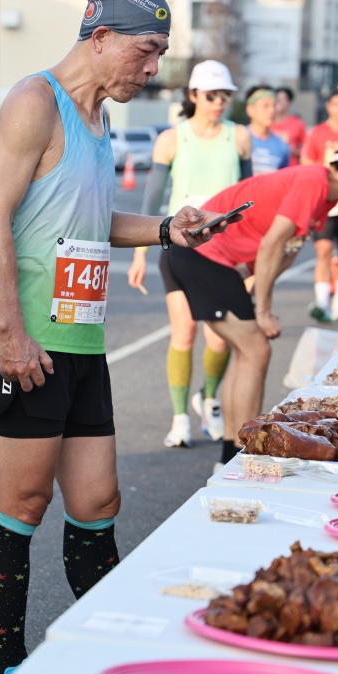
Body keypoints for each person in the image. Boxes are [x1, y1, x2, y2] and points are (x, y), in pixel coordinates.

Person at [0, 0, 233, 674]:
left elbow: (89, 216)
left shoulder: (99, 115)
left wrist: (169, 230)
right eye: (146, 52)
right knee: (24, 503)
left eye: (160, 55)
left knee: (98, 502)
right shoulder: (36, 101)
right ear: (102, 36)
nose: (152, 70)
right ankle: (8, 669)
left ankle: (101, 654)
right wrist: (11, 333)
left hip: (82, 341)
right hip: (25, 343)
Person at [164, 137, 338, 468]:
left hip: (212, 261)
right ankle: (242, 457)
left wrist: (257, 299)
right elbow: (271, 245)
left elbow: (284, 252)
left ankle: (231, 457)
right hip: (203, 255)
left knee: (247, 351)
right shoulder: (313, 182)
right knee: (256, 350)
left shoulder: (324, 198)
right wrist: (262, 311)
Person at [129, 60, 252, 448]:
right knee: (183, 331)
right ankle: (180, 417)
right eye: (212, 95)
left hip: (225, 249)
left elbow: (250, 198)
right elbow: (152, 200)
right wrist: (139, 255)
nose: (219, 102)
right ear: (193, 95)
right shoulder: (171, 139)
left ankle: (210, 400)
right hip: (179, 247)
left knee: (220, 339)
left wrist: (251, 257)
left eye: (225, 96)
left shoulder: (240, 136)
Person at [301, 90, 338, 321]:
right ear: (328, 107)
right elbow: (307, 163)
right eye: (336, 104)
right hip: (325, 200)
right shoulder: (317, 132)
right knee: (323, 249)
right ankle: (322, 301)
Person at [245, 86, 291, 175]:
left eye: (274, 105)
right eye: (265, 106)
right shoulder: (237, 138)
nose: (272, 110)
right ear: (250, 109)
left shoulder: (282, 146)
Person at [271, 87, 307, 166]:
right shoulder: (266, 123)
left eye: (282, 99)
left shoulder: (297, 123)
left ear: (289, 102)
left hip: (291, 168)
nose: (279, 102)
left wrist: (295, 151)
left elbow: (306, 150)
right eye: (277, 99)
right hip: (270, 169)